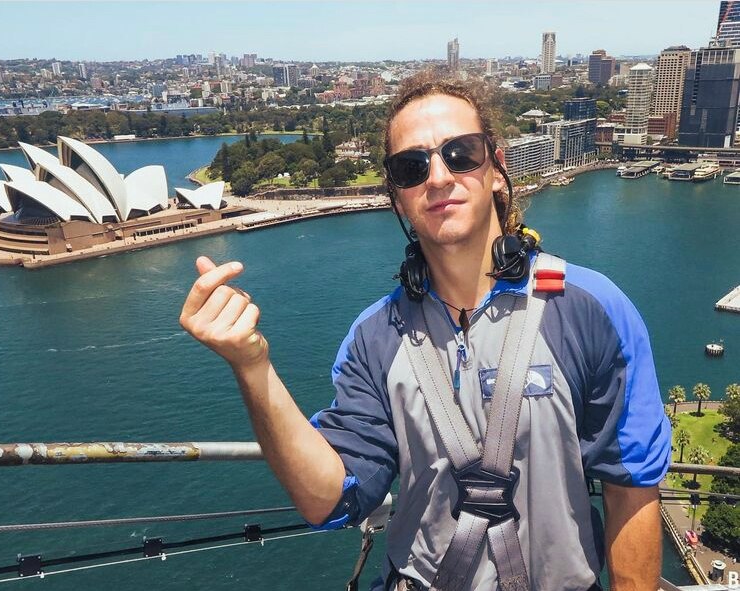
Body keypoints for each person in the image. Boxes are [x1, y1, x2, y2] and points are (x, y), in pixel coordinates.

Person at [180, 70, 671, 591]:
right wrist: (253, 368)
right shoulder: (374, 339)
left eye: (461, 153)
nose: (438, 177)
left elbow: (632, 485)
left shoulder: (591, 308)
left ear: (498, 170)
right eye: (412, 167)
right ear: (396, 198)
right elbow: (332, 499)